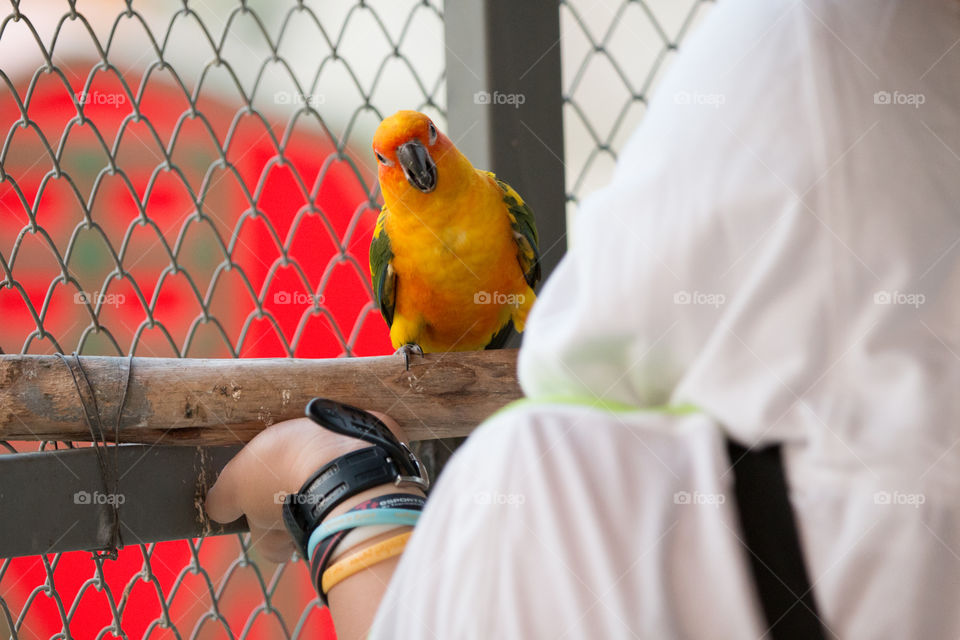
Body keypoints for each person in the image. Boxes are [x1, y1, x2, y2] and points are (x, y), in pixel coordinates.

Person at [206, 0, 960, 637]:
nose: (415, 162)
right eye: (392, 157)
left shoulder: (570, 479)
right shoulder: (386, 238)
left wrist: (341, 482)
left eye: (426, 139)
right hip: (431, 348)